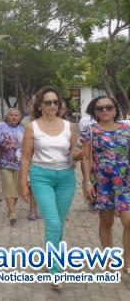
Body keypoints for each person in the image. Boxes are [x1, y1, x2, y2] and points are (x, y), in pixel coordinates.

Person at [19, 87, 82, 283]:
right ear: (40, 106)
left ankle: (50, 258)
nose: (53, 105)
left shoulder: (69, 126)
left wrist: (78, 155)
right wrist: (23, 182)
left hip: (66, 178)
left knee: (59, 223)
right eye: (48, 102)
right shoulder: (32, 127)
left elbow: (74, 152)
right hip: (41, 177)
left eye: (56, 102)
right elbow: (26, 158)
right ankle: (55, 270)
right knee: (53, 223)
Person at [80, 96, 130, 273]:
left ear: (115, 110)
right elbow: (85, 157)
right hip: (102, 183)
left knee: (128, 221)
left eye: (108, 107)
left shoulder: (127, 129)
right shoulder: (90, 130)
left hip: (125, 182)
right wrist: (87, 182)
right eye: (100, 108)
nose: (104, 110)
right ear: (95, 112)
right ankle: (109, 259)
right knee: (106, 223)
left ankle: (128, 261)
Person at [0, 109, 25, 224]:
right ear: (8, 116)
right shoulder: (1, 126)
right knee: (8, 187)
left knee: (16, 189)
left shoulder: (23, 129)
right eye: (12, 115)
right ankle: (12, 213)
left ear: (19, 117)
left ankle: (11, 209)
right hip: (4, 162)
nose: (14, 117)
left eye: (16, 115)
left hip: (19, 163)